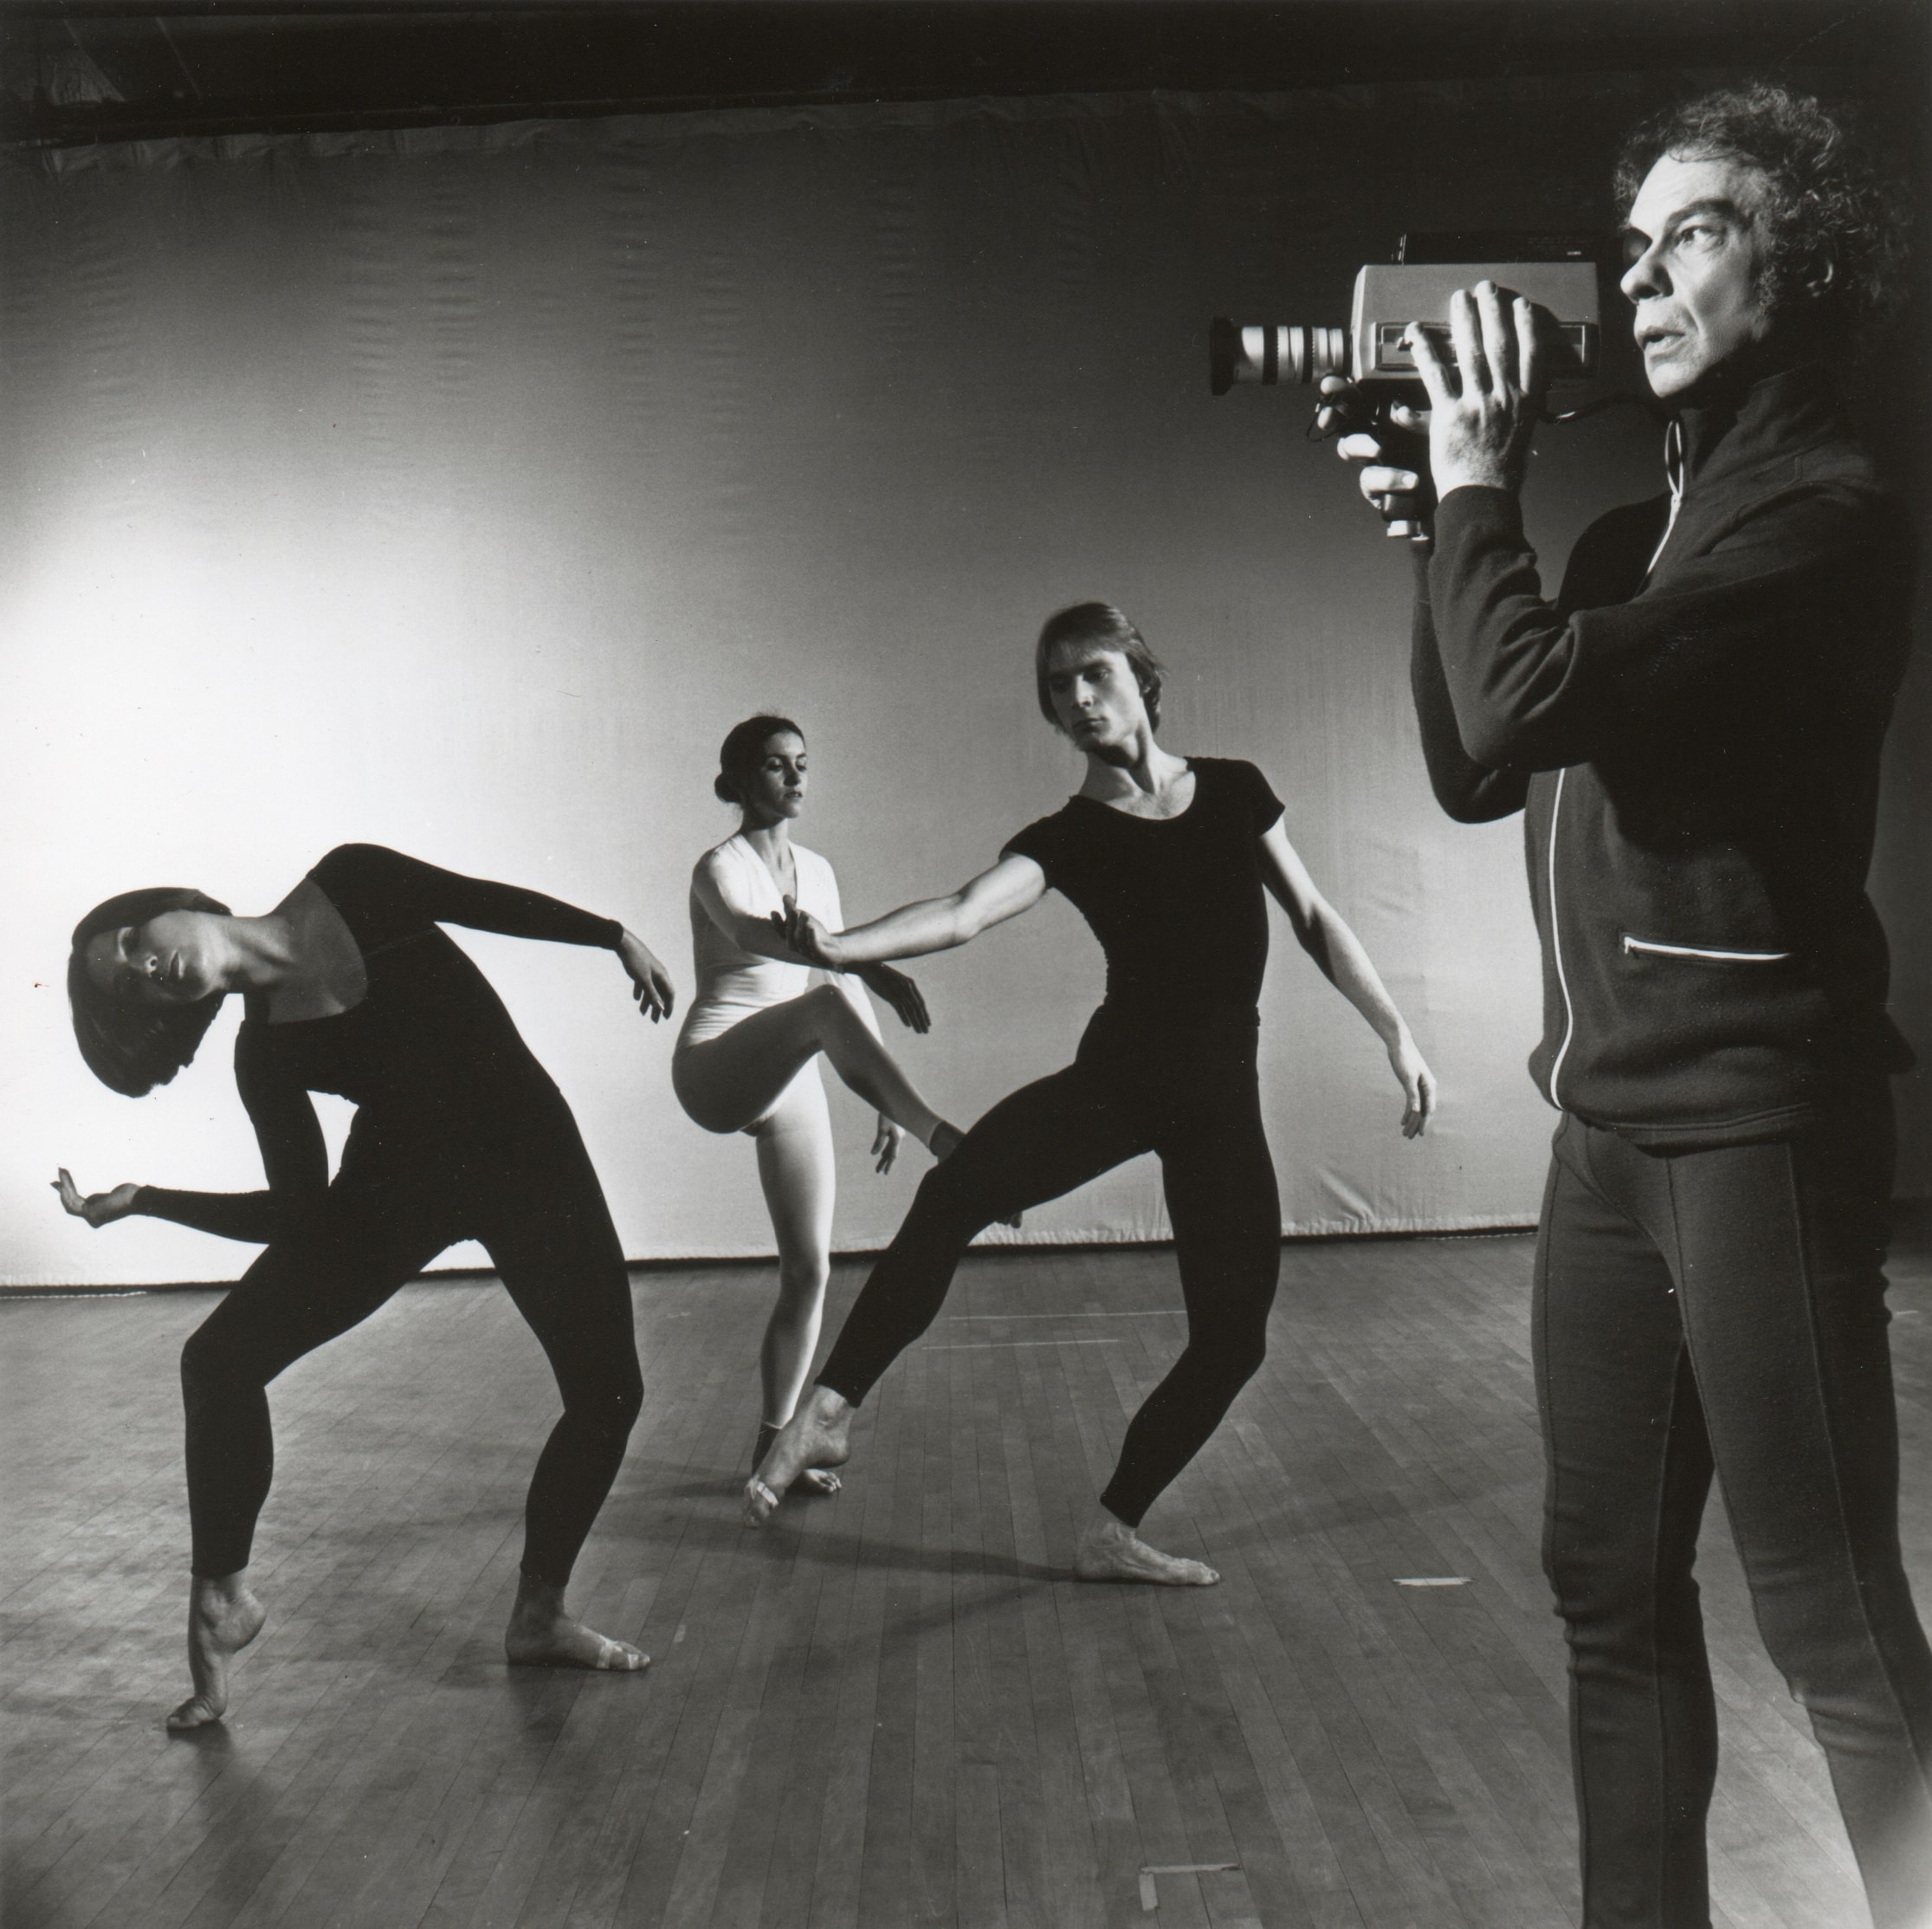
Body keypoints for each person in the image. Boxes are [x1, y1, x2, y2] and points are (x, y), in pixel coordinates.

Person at [1325, 81, 1931, 1929]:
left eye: (1695, 232)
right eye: (1632, 237)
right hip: (1608, 1143)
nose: (1640, 271)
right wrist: (1430, 532)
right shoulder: (1616, 543)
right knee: (1604, 1597)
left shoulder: (1817, 514)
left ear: (1799, 266)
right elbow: (1467, 761)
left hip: (1752, 1127)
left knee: (1828, 1631)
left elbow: (1508, 712)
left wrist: (1470, 491)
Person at [746, 603, 1435, 1585]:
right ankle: (829, 1410)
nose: (1076, 698)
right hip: (1115, 1085)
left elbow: (1315, 917)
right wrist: (835, 948)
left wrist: (1394, 1030)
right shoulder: (1069, 835)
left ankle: (1113, 1526)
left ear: (1139, 677)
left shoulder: (1235, 792)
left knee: (1233, 1340)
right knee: (954, 1195)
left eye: (1093, 674)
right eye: (1057, 686)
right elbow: (960, 913)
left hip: (1217, 1107)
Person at [54, 844, 679, 1731]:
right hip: (400, 1183)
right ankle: (221, 1601)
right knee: (219, 1359)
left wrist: (608, 935)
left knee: (610, 1391)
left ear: (165, 904)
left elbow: (476, 897)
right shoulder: (262, 1053)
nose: (143, 965)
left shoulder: (352, 878)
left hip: (525, 1153)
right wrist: (146, 1201)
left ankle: (538, 1615)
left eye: (126, 942)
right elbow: (296, 1210)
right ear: (165, 1011)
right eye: (131, 987)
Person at [673, 715, 967, 1492]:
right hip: (717, 1064)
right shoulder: (719, 863)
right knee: (819, 1014)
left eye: (802, 763)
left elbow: (834, 981)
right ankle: (941, 1134)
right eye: (775, 766)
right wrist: (871, 969)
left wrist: (871, 1085)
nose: (795, 778)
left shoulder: (819, 869)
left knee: (809, 1271)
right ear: (739, 781)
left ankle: (775, 1442)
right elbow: (753, 932)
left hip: (793, 1065)